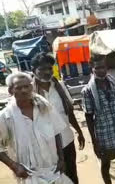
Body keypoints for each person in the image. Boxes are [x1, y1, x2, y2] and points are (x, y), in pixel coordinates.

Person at [0, 72, 73, 184]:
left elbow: (56, 132)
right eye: (19, 88)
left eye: (27, 86)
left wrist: (61, 158)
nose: (24, 90)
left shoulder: (45, 107)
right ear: (10, 91)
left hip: (53, 170)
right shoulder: (5, 117)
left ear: (32, 86)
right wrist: (14, 166)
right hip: (29, 176)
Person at [30, 53, 85, 184]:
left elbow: (69, 112)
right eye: (42, 69)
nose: (47, 72)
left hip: (66, 140)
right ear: (34, 71)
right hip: (45, 145)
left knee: (72, 174)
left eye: (50, 68)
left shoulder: (59, 86)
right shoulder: (29, 91)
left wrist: (79, 131)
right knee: (53, 178)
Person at [82, 55, 115, 184]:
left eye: (103, 67)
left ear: (106, 67)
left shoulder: (113, 82)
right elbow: (88, 116)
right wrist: (94, 141)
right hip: (104, 133)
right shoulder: (88, 91)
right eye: (97, 68)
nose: (101, 70)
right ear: (92, 69)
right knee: (105, 163)